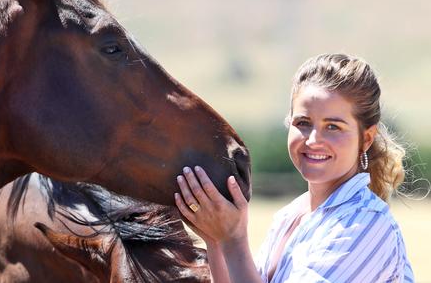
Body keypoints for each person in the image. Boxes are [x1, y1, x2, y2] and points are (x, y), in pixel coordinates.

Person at [175, 53, 414, 282]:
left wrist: (234, 240)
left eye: (333, 127)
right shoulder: (291, 215)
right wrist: (217, 241)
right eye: (303, 123)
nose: (312, 140)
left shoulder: (365, 224)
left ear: (367, 138)